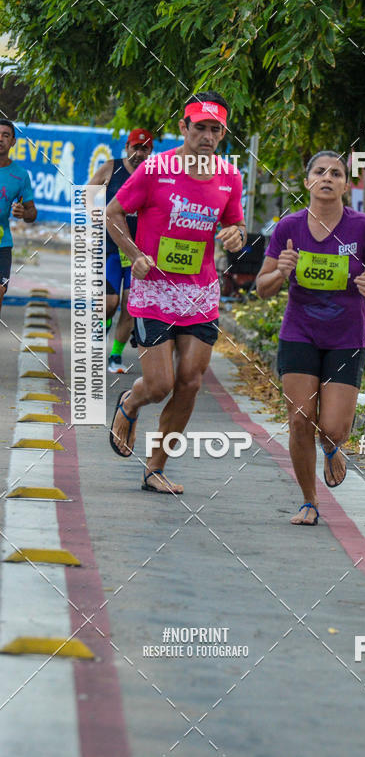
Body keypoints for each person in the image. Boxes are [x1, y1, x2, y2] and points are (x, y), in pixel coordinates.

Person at [106, 92, 246, 494]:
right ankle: (131, 402)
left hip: (200, 295)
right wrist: (134, 254)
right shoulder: (156, 169)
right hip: (154, 292)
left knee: (190, 383)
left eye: (215, 129)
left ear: (223, 133)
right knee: (159, 385)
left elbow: (234, 227)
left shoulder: (229, 177)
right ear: (184, 127)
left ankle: (155, 468)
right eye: (199, 127)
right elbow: (113, 213)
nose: (207, 136)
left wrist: (236, 237)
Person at [256, 150, 365, 525]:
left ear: (346, 185)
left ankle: (333, 447)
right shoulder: (289, 227)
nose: (327, 178)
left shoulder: (362, 227)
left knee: (332, 428)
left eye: (336, 173)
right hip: (299, 333)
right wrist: (281, 272)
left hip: (346, 337)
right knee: (300, 419)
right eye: (320, 172)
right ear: (307, 182)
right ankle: (309, 501)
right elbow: (262, 288)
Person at [87, 129, 153, 372]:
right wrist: (94, 213)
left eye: (144, 149)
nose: (139, 153)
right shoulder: (111, 167)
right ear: (127, 147)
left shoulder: (154, 173)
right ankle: (101, 327)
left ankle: (115, 356)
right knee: (109, 303)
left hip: (138, 252)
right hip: (110, 247)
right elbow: (87, 192)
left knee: (129, 305)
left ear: (150, 151)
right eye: (136, 148)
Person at [0, 120, 37, 316]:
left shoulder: (20, 176)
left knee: (0, 291)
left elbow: (32, 212)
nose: (0, 139)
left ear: (13, 142)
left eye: (5, 135)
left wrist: (24, 212)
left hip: (2, 244)